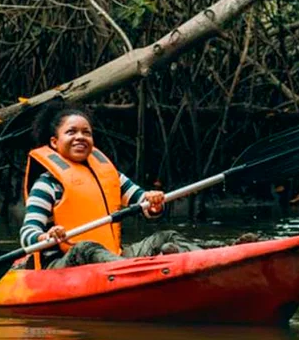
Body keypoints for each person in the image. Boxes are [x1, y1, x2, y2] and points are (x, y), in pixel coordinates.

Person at [20, 103, 197, 269]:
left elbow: (144, 205)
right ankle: (131, 271)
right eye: (71, 132)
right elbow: (27, 234)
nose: (80, 137)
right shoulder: (47, 184)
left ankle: (211, 258)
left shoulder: (110, 176)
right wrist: (46, 236)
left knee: (166, 236)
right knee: (85, 248)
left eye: (86, 133)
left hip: (111, 256)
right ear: (54, 142)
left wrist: (154, 202)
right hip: (63, 263)